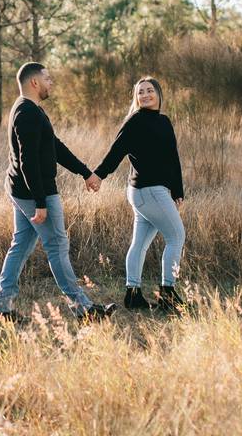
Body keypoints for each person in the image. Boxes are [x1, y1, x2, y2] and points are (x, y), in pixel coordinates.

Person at [0, 62, 116, 324]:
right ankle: (84, 308)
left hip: (22, 190)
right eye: (47, 78)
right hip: (35, 193)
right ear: (34, 82)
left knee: (21, 245)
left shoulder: (31, 110)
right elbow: (28, 162)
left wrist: (85, 172)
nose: (51, 82)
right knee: (57, 246)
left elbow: (54, 147)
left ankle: (1, 307)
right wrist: (40, 202)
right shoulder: (27, 113)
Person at [85, 76, 186, 314]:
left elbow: (173, 158)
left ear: (159, 93)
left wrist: (178, 190)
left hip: (147, 193)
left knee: (140, 244)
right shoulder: (135, 121)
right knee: (176, 237)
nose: (145, 95)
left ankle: (133, 295)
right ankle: (168, 296)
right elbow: (116, 150)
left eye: (150, 90)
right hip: (148, 191)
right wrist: (99, 175)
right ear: (136, 97)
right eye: (140, 92)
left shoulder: (164, 121)